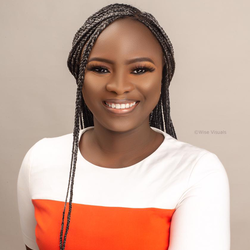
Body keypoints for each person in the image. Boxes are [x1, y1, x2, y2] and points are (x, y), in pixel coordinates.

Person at [17, 3, 230, 250]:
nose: (119, 86)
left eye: (140, 70)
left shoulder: (198, 171)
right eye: (100, 69)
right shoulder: (40, 159)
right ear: (79, 77)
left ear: (163, 76)